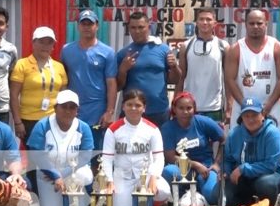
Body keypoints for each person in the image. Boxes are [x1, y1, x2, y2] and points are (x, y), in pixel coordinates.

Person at [101, 89, 171, 206]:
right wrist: (109, 180)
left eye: (138, 105)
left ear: (144, 108)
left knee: (164, 190)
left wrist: (154, 177)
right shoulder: (113, 129)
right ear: (123, 106)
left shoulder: (152, 129)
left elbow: (159, 158)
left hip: (145, 177)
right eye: (129, 104)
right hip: (123, 178)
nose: (133, 108)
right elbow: (107, 159)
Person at [26, 90, 94, 206]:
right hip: (47, 175)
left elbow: (86, 156)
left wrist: (62, 174)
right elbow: (37, 154)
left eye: (72, 107)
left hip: (73, 172)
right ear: (55, 108)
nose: (68, 111)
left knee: (86, 175)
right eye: (64, 107)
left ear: (77, 110)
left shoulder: (83, 127)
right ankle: (62, 205)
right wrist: (54, 175)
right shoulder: (42, 125)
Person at [60, 9, 117, 150]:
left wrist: (109, 112)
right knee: (71, 151)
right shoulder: (66, 50)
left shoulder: (107, 52)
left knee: (95, 153)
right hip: (73, 110)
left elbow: (111, 83)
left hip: (97, 111)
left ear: (97, 26)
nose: (86, 27)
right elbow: (62, 80)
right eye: (83, 24)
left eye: (90, 24)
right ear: (78, 26)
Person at [225, 9, 280, 130]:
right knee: (242, 147)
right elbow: (230, 80)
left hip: (271, 108)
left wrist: (268, 105)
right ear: (245, 25)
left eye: (259, 23)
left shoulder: (277, 47)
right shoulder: (235, 49)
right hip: (243, 108)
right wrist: (246, 106)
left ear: (266, 23)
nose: (255, 26)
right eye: (251, 23)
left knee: (273, 146)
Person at [116, 12, 181, 127]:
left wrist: (174, 66)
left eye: (141, 27)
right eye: (133, 27)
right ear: (129, 29)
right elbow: (118, 86)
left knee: (160, 145)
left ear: (148, 27)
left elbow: (175, 80)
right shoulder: (123, 54)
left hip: (159, 112)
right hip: (133, 112)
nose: (137, 31)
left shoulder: (163, 49)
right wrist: (122, 70)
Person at [161, 92, 225, 206]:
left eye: (189, 108)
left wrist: (216, 164)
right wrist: (194, 164)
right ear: (174, 109)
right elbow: (170, 157)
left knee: (212, 197)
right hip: (183, 168)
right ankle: (181, 196)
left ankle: (200, 192)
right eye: (181, 108)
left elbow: (224, 140)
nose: (185, 112)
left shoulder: (203, 121)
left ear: (194, 108)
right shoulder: (167, 128)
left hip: (206, 168)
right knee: (168, 171)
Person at [223, 97, 280, 206]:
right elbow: (228, 159)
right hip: (244, 178)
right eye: (246, 116)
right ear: (241, 117)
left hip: (268, 176)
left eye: (254, 115)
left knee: (266, 184)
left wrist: (243, 168)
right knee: (225, 194)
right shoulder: (234, 133)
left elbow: (271, 166)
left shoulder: (273, 133)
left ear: (262, 115)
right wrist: (226, 173)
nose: (250, 119)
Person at [10, 26, 68, 142]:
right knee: (33, 156)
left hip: (53, 120)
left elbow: (63, 95)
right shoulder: (22, 64)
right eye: (41, 42)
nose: (45, 46)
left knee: (53, 154)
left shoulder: (59, 67)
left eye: (49, 43)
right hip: (29, 120)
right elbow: (13, 95)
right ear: (33, 43)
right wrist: (17, 122)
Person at [175, 7, 230, 123]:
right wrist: (176, 102)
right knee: (191, 141)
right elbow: (181, 77)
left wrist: (230, 107)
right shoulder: (186, 46)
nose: (205, 22)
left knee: (216, 141)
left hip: (215, 107)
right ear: (197, 22)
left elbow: (228, 79)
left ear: (215, 23)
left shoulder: (223, 46)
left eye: (209, 19)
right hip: (189, 107)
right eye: (201, 19)